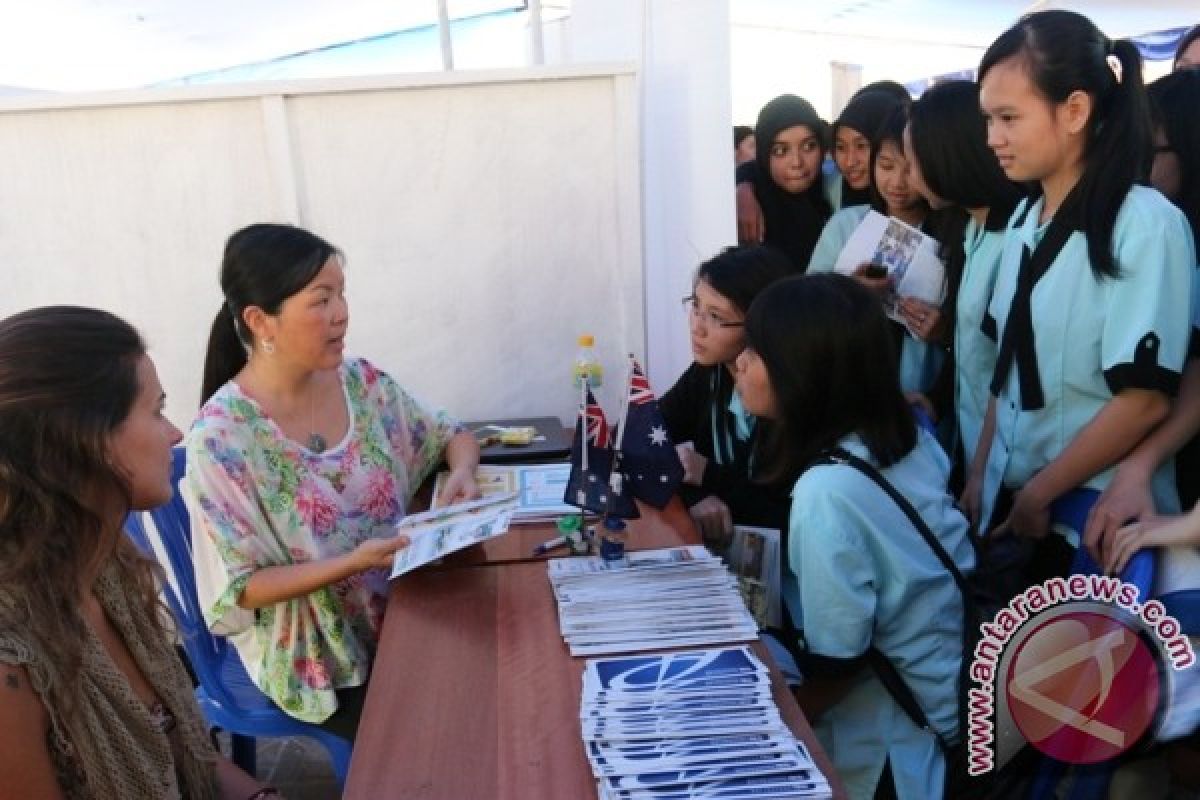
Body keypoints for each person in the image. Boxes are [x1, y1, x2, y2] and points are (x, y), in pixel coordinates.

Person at [186, 223, 480, 739]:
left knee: (496, 664)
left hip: (409, 602)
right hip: (324, 656)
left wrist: (460, 474)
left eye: (342, 294)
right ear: (261, 321)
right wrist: (352, 563)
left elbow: (451, 434)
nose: (341, 313)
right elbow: (242, 587)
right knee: (443, 727)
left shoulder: (361, 383)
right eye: (321, 300)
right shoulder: (222, 439)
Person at [0, 306, 274, 799]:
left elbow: (192, 758)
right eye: (155, 410)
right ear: (88, 442)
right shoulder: (11, 670)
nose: (174, 434)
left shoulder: (107, 569)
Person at [971, 11, 1194, 577]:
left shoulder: (1145, 225)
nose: (992, 138)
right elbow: (1008, 366)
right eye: (988, 119)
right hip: (1021, 512)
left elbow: (1144, 397)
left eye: (1008, 117)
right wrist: (980, 473)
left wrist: (1039, 491)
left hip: (1094, 526)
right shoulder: (1025, 217)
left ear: (1074, 110)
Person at [734, 274, 973, 800]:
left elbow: (838, 660)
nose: (740, 363)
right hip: (954, 695)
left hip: (898, 745)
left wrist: (766, 726)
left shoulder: (827, 492)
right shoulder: (904, 440)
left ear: (804, 373)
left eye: (756, 351)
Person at [1083, 67, 1200, 548]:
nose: (1131, 165)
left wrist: (1141, 467)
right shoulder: (1148, 227)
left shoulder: (1162, 229)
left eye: (1148, 152)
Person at [900, 80, 1024, 501]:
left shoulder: (1016, 236)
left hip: (1011, 468)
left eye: (913, 162)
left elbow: (1007, 367)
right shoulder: (970, 227)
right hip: (977, 455)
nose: (909, 178)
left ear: (946, 156)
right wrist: (937, 396)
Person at [660, 245, 792, 548]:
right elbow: (643, 436)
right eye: (695, 306)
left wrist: (709, 476)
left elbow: (790, 519)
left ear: (763, 324)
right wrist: (695, 494)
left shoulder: (789, 397)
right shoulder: (710, 372)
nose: (696, 327)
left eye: (716, 317)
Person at [733, 94, 832, 270]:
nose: (797, 162)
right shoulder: (751, 213)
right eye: (780, 150)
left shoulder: (834, 190)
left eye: (808, 146)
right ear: (764, 154)